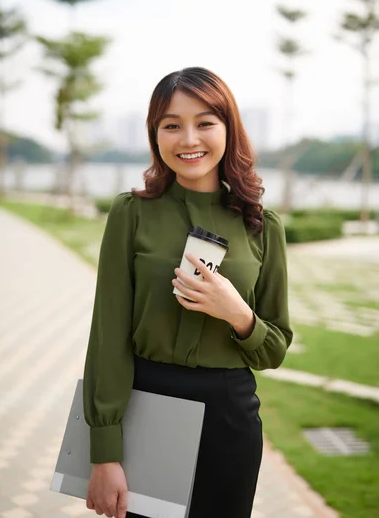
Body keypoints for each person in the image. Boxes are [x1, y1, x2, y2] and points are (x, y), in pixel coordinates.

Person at [83, 66, 293, 518]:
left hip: (229, 418)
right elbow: (107, 337)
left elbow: (274, 349)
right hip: (146, 404)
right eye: (172, 125)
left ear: (228, 129)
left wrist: (238, 314)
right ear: (155, 135)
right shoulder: (131, 213)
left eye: (205, 123)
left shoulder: (262, 225)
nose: (189, 139)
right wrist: (103, 451)